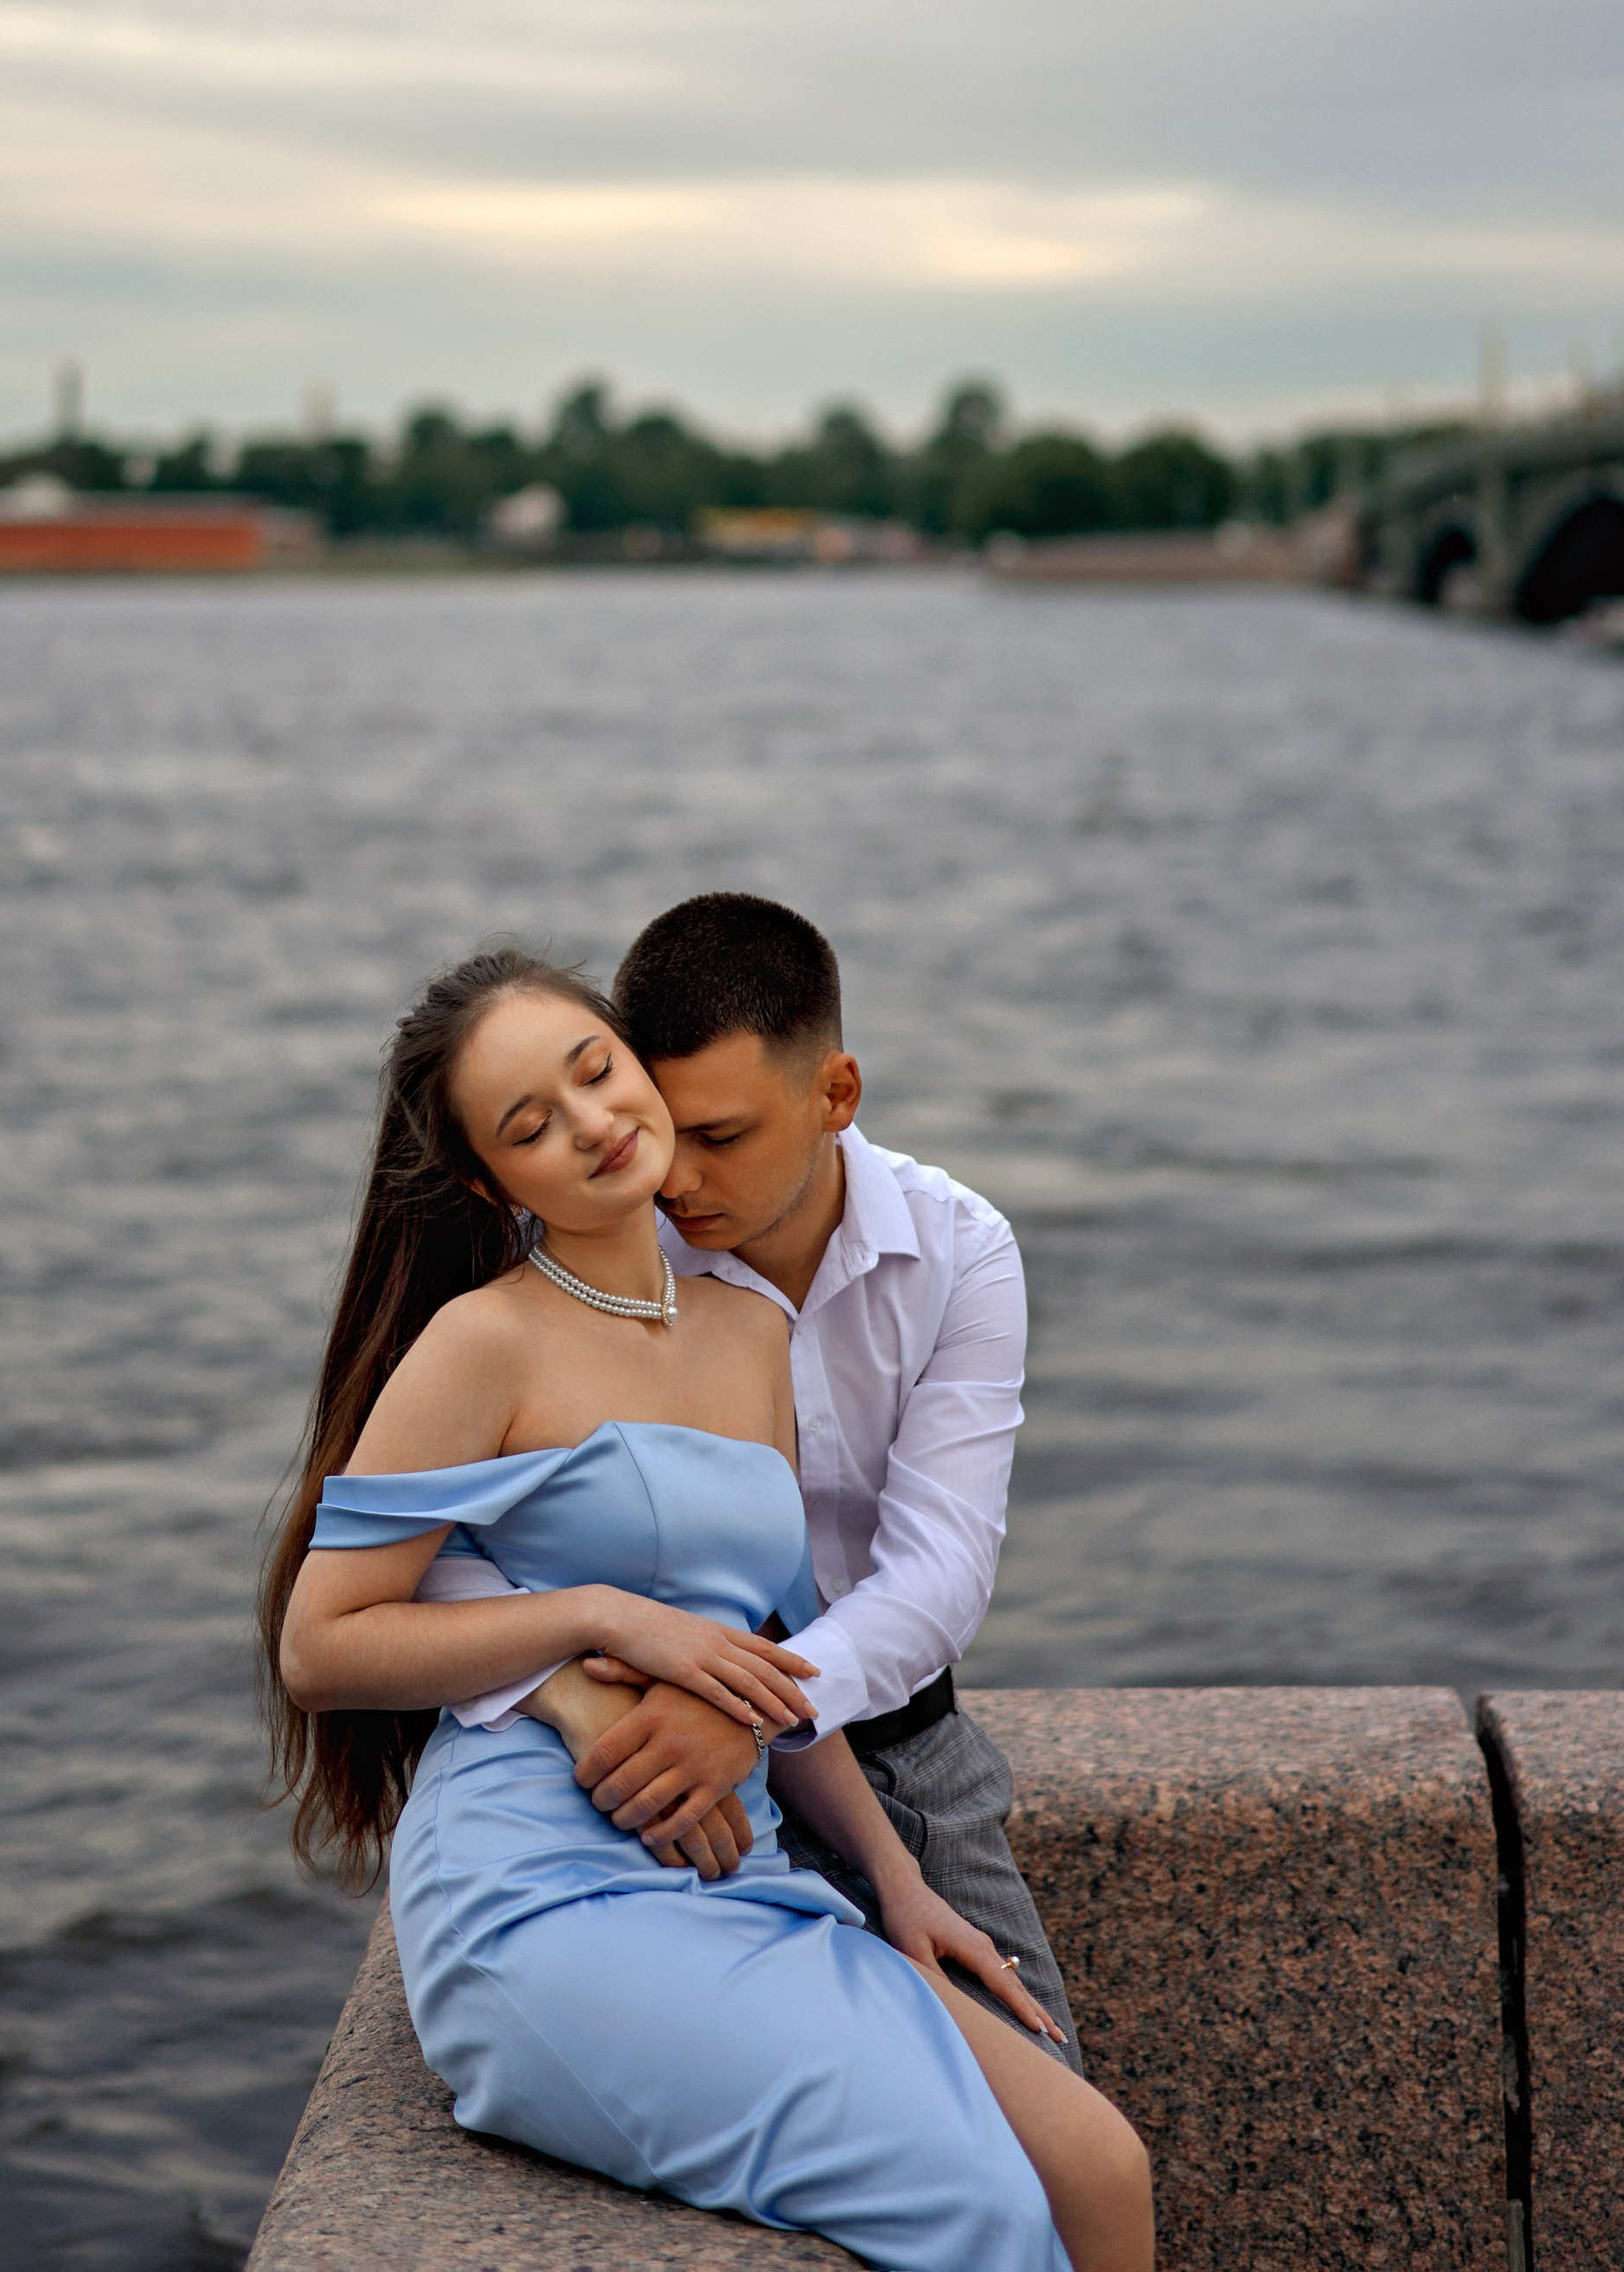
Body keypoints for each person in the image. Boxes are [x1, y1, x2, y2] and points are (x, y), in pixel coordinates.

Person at [262, 950, 1154, 2272]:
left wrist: (899, 1883)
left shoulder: (749, 1329)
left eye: (595, 1070)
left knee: (1097, 2168)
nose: (591, 1122)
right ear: (486, 1182)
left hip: (745, 1861)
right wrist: (600, 1621)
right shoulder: (482, 1342)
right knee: (978, 2208)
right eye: (530, 1125)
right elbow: (320, 1643)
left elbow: (779, 1659)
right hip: (542, 1885)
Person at [431, 891, 1082, 2065]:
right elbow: (429, 1549)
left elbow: (938, 1575)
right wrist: (583, 1689)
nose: (676, 1178)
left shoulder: (960, 1251)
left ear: (837, 1094)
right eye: (667, 1129)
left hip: (896, 1751)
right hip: (641, 1767)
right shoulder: (597, 1254)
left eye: (722, 1138)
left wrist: (748, 1711)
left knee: (1047, 2093)